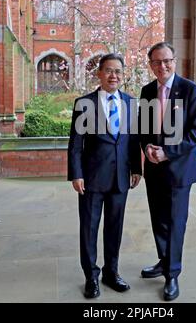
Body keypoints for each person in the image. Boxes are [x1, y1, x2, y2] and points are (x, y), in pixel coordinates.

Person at [68, 53, 142, 299]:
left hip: (120, 178)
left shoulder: (131, 103)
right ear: (99, 74)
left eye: (118, 71)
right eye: (109, 70)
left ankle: (111, 272)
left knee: (115, 228)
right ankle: (91, 276)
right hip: (91, 179)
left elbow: (133, 141)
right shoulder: (84, 103)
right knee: (89, 228)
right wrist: (76, 174)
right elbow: (76, 144)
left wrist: (137, 168)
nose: (114, 75)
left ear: (123, 75)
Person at [139, 42, 196, 301]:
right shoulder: (146, 91)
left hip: (179, 169)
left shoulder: (190, 90)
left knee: (176, 222)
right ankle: (164, 260)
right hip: (154, 168)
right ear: (151, 65)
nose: (162, 66)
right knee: (158, 218)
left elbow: (195, 133)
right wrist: (147, 150)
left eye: (167, 61)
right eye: (156, 62)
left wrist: (167, 152)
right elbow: (143, 130)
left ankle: (173, 274)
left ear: (174, 61)